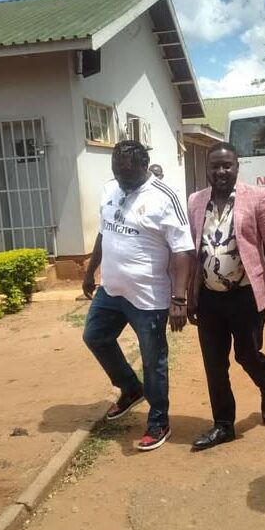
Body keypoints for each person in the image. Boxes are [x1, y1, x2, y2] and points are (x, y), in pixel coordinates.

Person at [82, 141, 194, 452]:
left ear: (144, 167)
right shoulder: (110, 188)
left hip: (149, 297)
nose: (121, 180)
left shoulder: (165, 197)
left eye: (127, 174)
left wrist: (179, 298)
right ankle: (131, 388)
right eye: (117, 172)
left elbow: (183, 250)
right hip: (111, 289)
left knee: (153, 360)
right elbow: (104, 232)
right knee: (95, 336)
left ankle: (159, 421)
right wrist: (90, 271)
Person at [187, 142, 265, 450]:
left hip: (245, 296)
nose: (221, 171)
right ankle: (223, 425)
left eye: (227, 165)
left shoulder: (257, 197)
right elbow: (193, 250)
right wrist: (188, 295)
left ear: (236, 167)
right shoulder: (196, 201)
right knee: (214, 364)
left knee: (247, 354)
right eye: (215, 166)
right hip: (209, 298)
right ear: (207, 169)